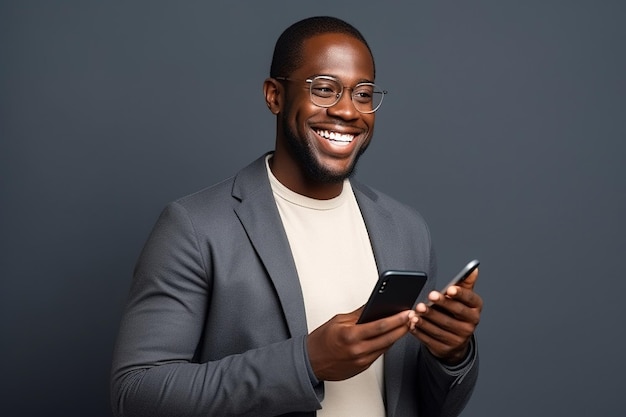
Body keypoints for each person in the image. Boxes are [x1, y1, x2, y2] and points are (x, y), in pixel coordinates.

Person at [111, 16, 482, 417]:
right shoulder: (195, 227)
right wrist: (306, 362)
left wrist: (451, 354)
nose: (347, 111)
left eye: (363, 93)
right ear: (274, 95)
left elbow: (426, 406)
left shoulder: (406, 229)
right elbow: (137, 395)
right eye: (324, 89)